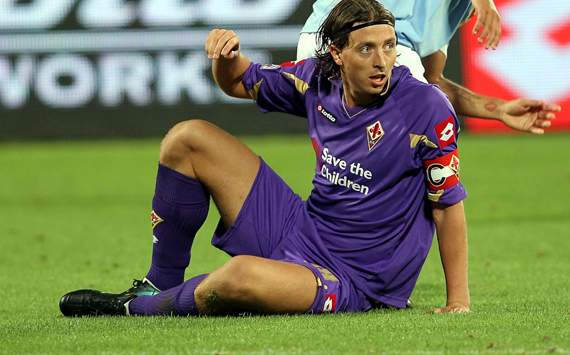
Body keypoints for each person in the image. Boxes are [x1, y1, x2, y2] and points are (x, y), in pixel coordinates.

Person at [59, 0, 470, 317]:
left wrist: (458, 300)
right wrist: (226, 57)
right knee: (187, 139)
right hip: (303, 228)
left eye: (389, 47)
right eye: (366, 49)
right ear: (338, 54)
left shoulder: (424, 108)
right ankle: (157, 282)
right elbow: (239, 80)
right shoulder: (316, 78)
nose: (382, 61)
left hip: (355, 279)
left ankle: (134, 309)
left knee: (239, 277)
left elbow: (447, 207)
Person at [298, 0, 561, 134]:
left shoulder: (454, 12)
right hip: (360, 40)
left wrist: (499, 109)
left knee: (359, 173)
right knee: (427, 160)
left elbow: (432, 82)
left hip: (326, 47)